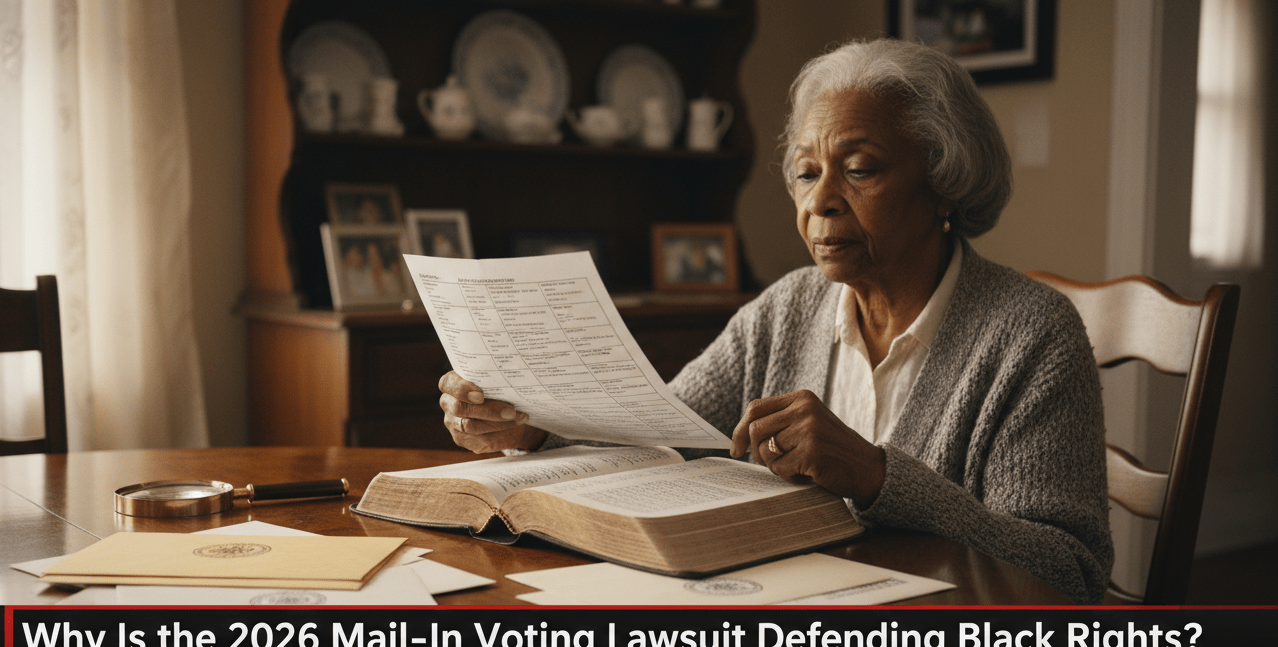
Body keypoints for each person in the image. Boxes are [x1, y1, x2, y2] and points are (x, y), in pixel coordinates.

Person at [436, 39, 1113, 605]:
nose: (821, 202)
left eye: (859, 169)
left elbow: (1071, 574)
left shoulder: (1032, 334)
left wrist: (879, 478)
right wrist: (533, 426)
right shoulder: (789, 307)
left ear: (945, 180)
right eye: (805, 172)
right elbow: (658, 436)